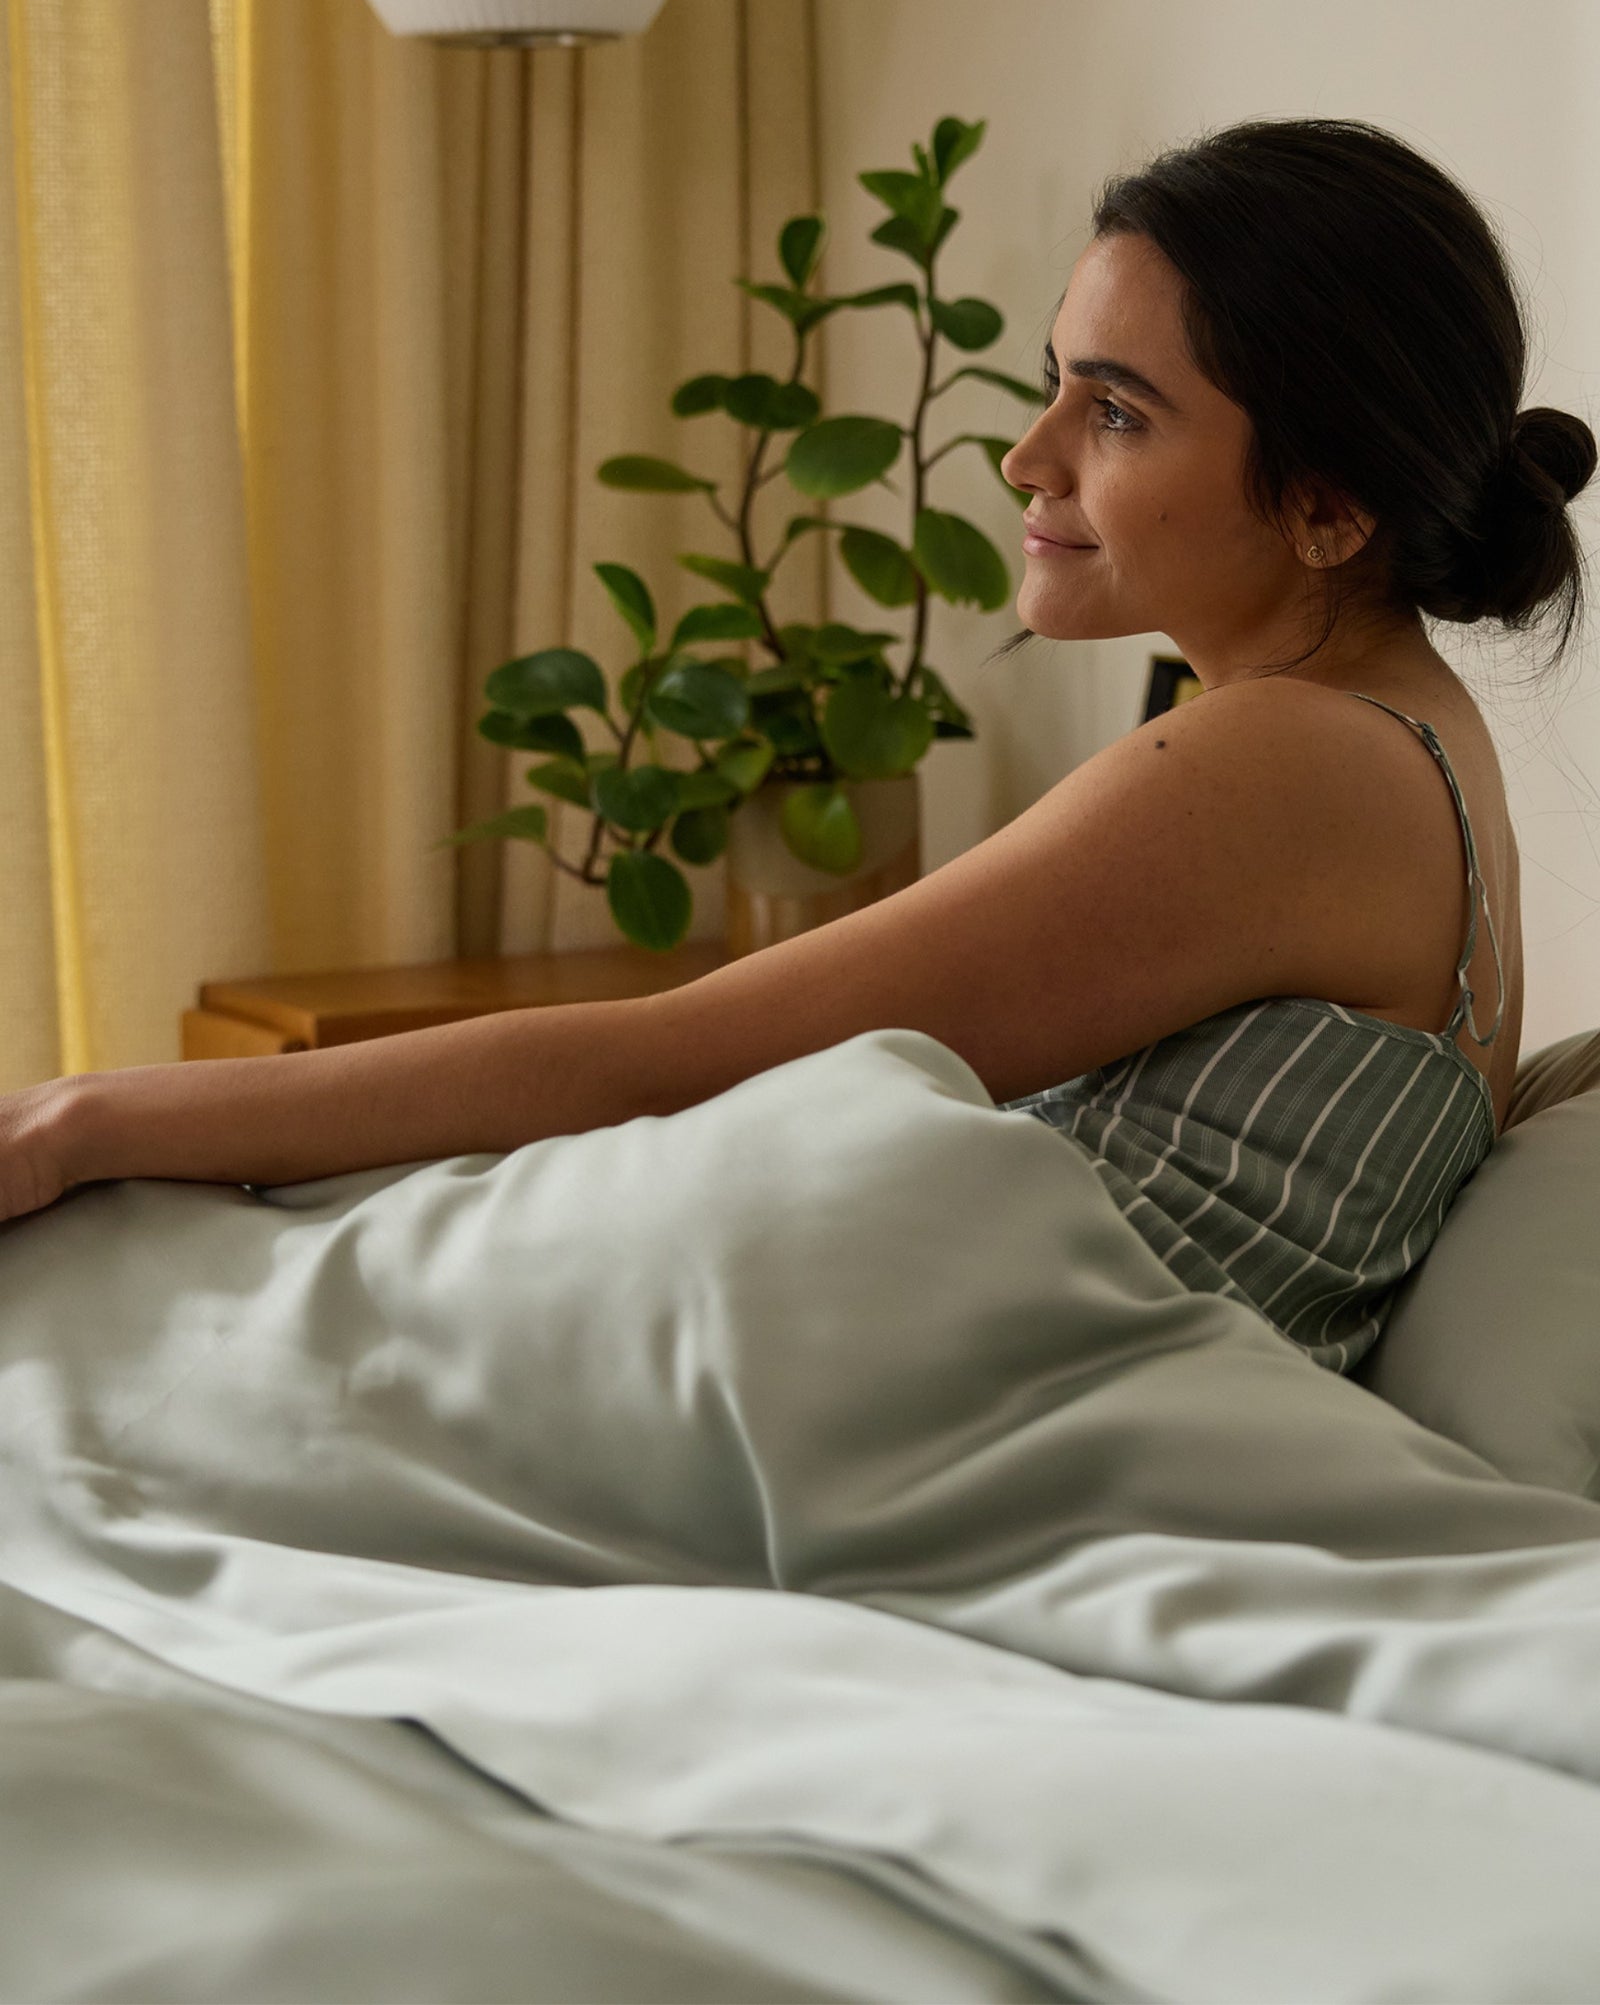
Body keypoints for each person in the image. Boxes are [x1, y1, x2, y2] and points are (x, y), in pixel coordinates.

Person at [0, 117, 1592, 1370]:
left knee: (129, 1269)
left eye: (1114, 412)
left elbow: (663, 1060)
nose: (1027, 456)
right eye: (1055, 385)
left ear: (1327, 504)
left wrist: (83, 1116)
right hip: (960, 1379)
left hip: (938, 1415)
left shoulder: (1292, 763)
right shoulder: (1413, 745)